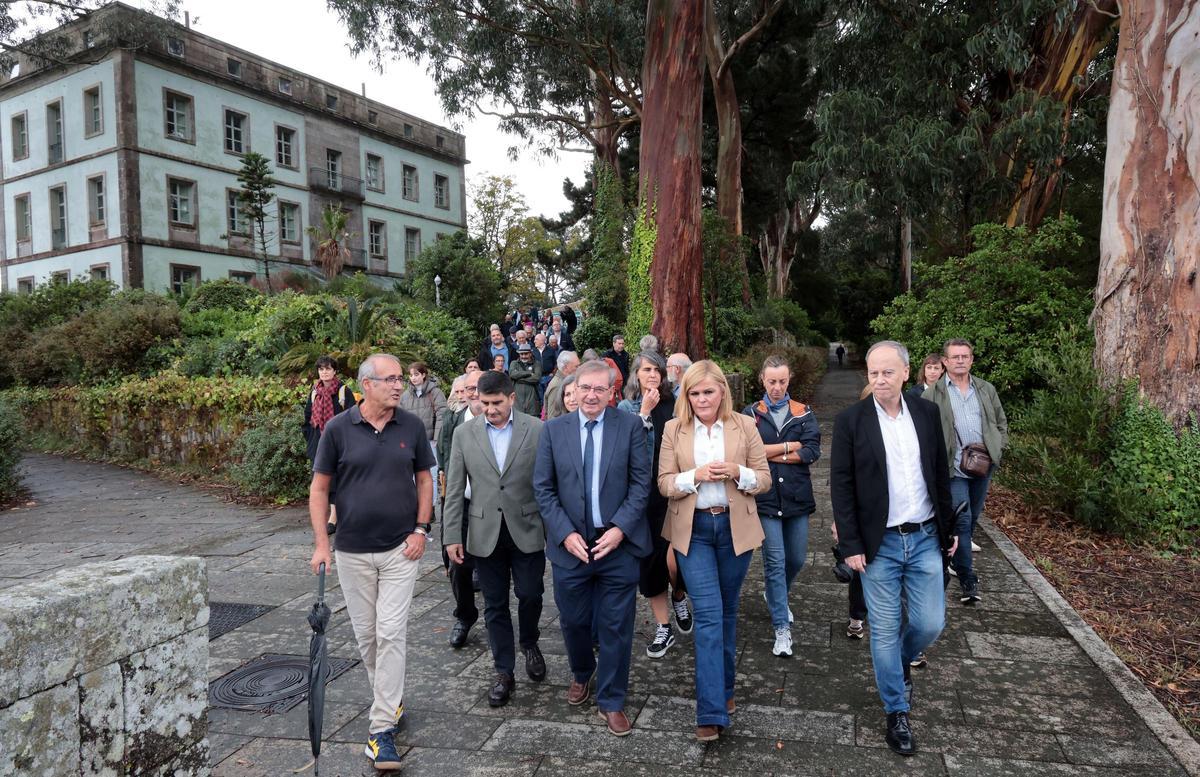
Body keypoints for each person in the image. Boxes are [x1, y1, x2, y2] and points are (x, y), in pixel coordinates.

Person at [308, 353, 435, 772]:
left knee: (391, 632)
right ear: (367, 385)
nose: (399, 385)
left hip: (401, 550)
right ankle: (391, 701)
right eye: (391, 379)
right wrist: (322, 545)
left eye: (401, 378)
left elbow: (425, 479)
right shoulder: (337, 429)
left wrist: (421, 529)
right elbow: (319, 489)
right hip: (352, 551)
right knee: (368, 639)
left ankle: (380, 731)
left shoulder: (411, 426)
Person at [830, 340, 956, 757]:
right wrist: (850, 544)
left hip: (924, 538)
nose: (880, 380)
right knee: (883, 631)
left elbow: (939, 473)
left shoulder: (926, 413)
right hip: (878, 544)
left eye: (888, 372)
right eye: (874, 373)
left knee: (930, 623)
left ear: (905, 372)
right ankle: (896, 710)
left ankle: (900, 660)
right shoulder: (851, 421)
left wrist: (951, 528)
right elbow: (841, 486)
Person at [533, 359, 652, 737]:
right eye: (585, 388)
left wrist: (620, 529)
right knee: (573, 620)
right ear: (575, 388)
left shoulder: (629, 427)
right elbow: (543, 488)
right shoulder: (554, 431)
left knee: (616, 625)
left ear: (612, 392)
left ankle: (612, 700)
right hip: (570, 545)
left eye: (600, 389)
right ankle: (582, 671)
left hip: (617, 544)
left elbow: (641, 485)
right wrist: (564, 533)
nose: (591, 395)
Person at [658, 360, 770, 742]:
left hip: (735, 530)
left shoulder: (745, 425)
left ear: (722, 390)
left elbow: (764, 480)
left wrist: (738, 472)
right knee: (708, 614)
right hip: (694, 531)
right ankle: (710, 712)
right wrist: (696, 476)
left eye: (708, 391)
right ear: (686, 396)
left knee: (726, 612)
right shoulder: (674, 429)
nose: (702, 399)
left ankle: (724, 689)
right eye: (695, 393)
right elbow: (664, 483)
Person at [443, 371, 547, 707]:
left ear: (511, 398)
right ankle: (504, 671)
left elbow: (547, 483)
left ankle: (529, 641)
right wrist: (451, 535)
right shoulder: (464, 433)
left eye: (496, 403)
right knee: (495, 604)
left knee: (530, 594)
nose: (489, 409)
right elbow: (454, 489)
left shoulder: (536, 429)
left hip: (527, 528)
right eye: (484, 403)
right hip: (483, 532)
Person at [744, 355, 821, 658]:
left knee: (797, 559)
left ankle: (774, 594)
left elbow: (812, 451)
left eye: (782, 381)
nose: (777, 387)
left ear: (789, 380)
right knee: (775, 561)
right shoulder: (751, 414)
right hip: (764, 498)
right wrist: (790, 446)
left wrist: (768, 453)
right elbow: (748, 453)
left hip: (796, 497)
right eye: (771, 381)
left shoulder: (803, 412)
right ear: (762, 380)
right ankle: (781, 627)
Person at [618, 352, 692, 659]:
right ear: (636, 374)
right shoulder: (626, 408)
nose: (652, 374)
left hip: (673, 491)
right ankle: (664, 626)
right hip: (642, 495)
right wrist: (644, 412)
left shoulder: (674, 404)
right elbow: (626, 448)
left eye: (656, 370)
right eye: (646, 369)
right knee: (649, 561)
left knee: (676, 558)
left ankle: (679, 593)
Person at [924, 339, 1007, 605]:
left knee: (971, 519)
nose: (960, 360)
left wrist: (997, 447)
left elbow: (1000, 422)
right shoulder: (933, 394)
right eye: (955, 357)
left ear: (971, 360)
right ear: (945, 362)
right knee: (962, 519)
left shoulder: (986, 389)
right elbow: (923, 432)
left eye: (965, 356)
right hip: (953, 468)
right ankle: (967, 578)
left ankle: (954, 554)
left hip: (983, 465)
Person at [437, 370, 481, 648]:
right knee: (458, 565)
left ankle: (500, 619)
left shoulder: (504, 419)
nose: (474, 393)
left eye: (478, 387)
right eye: (469, 388)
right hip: (463, 502)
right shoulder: (454, 420)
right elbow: (444, 451)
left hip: (494, 507)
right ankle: (465, 615)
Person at [302, 355, 353, 535]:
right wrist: (310, 439)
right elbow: (307, 417)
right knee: (321, 478)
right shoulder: (314, 392)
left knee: (337, 478)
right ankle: (327, 516)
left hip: (338, 441)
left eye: (328, 369)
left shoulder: (343, 391)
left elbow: (352, 416)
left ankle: (334, 517)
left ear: (334, 371)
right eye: (321, 369)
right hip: (318, 441)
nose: (324, 372)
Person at [509, 343, 543, 417]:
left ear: (530, 353)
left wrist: (518, 379)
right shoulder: (514, 363)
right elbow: (512, 374)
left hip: (532, 401)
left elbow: (536, 378)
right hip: (517, 401)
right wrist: (529, 373)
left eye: (526, 354)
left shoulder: (536, 364)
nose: (524, 356)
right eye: (522, 354)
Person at [544, 350, 579, 419]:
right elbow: (552, 417)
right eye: (576, 366)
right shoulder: (557, 386)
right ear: (566, 368)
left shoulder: (565, 382)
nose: (579, 369)